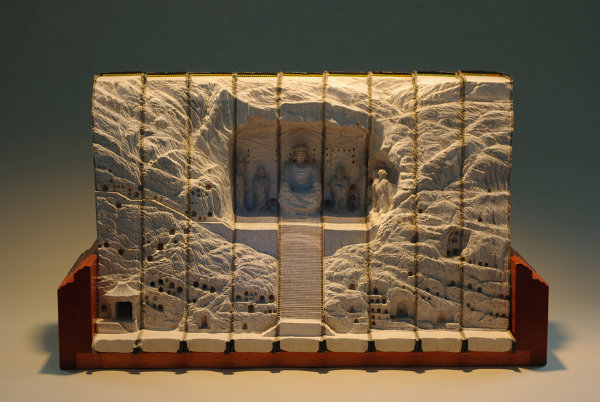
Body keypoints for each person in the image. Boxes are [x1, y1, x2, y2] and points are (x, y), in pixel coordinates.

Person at [279, 144, 321, 216]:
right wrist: (290, 194)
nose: (301, 156)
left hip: (308, 194)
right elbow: (284, 184)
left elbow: (316, 184)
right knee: (284, 198)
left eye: (303, 154)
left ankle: (304, 209)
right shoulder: (288, 167)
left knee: (315, 200)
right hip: (292, 193)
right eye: (298, 154)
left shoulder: (313, 167)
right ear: (294, 156)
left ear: (307, 155)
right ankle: (297, 209)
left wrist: (312, 193)